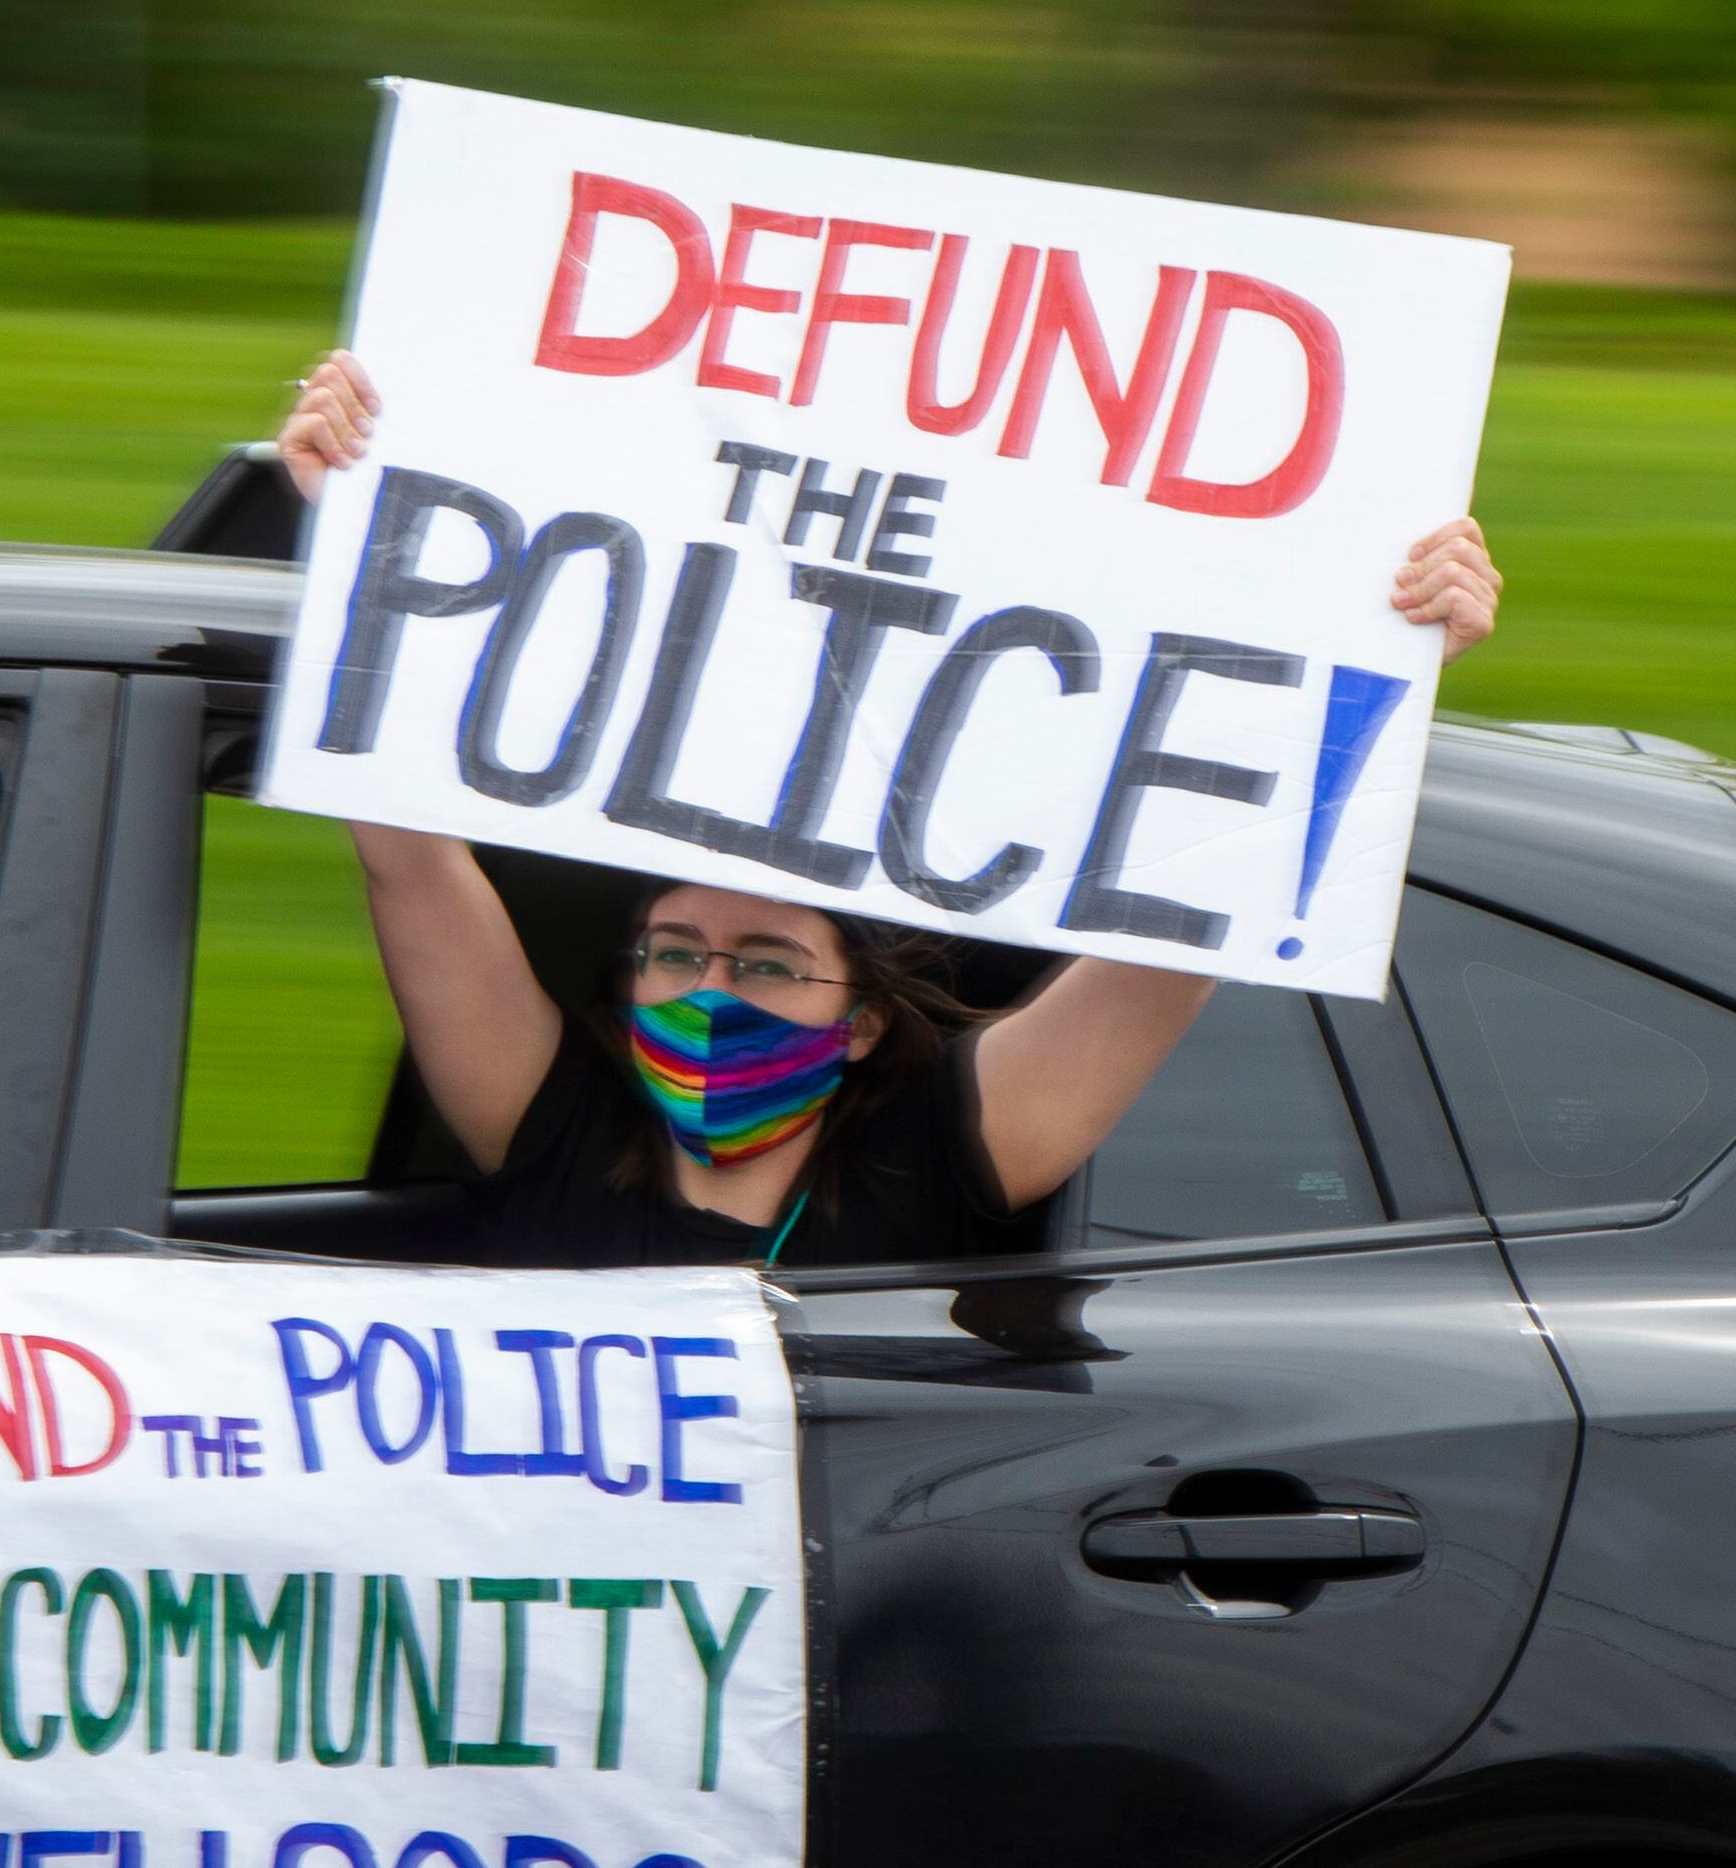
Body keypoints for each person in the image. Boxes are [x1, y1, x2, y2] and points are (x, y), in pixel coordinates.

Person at [276, 350, 1503, 1268]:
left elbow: (1177, 939)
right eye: (677, 954)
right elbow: (407, 857)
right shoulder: (551, 1127)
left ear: (862, 1020)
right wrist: (359, 533)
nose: (711, 992)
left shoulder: (931, 1155)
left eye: (768, 963)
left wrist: (1378, 664)